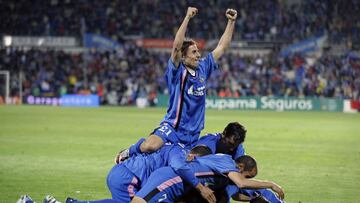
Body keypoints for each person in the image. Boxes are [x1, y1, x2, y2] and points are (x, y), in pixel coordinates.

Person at [117, 7, 238, 161]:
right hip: (172, 127)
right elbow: (175, 47)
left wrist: (231, 22)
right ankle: (128, 152)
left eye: (198, 51)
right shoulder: (177, 72)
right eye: (193, 52)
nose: (198, 55)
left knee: (184, 164)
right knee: (150, 146)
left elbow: (222, 46)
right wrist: (187, 18)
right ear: (183, 56)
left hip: (193, 134)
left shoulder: (203, 67)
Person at [45, 145, 215, 203]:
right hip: (128, 178)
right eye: (199, 163)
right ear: (193, 155)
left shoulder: (170, 146)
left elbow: (145, 143)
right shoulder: (180, 154)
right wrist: (199, 186)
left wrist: (127, 152)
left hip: (124, 173)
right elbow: (179, 166)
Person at [130, 154, 284, 203]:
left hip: (180, 186)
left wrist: (252, 200)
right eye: (249, 176)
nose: (248, 180)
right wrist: (270, 184)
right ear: (241, 167)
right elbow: (241, 183)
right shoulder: (227, 162)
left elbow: (236, 193)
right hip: (172, 179)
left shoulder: (223, 176)